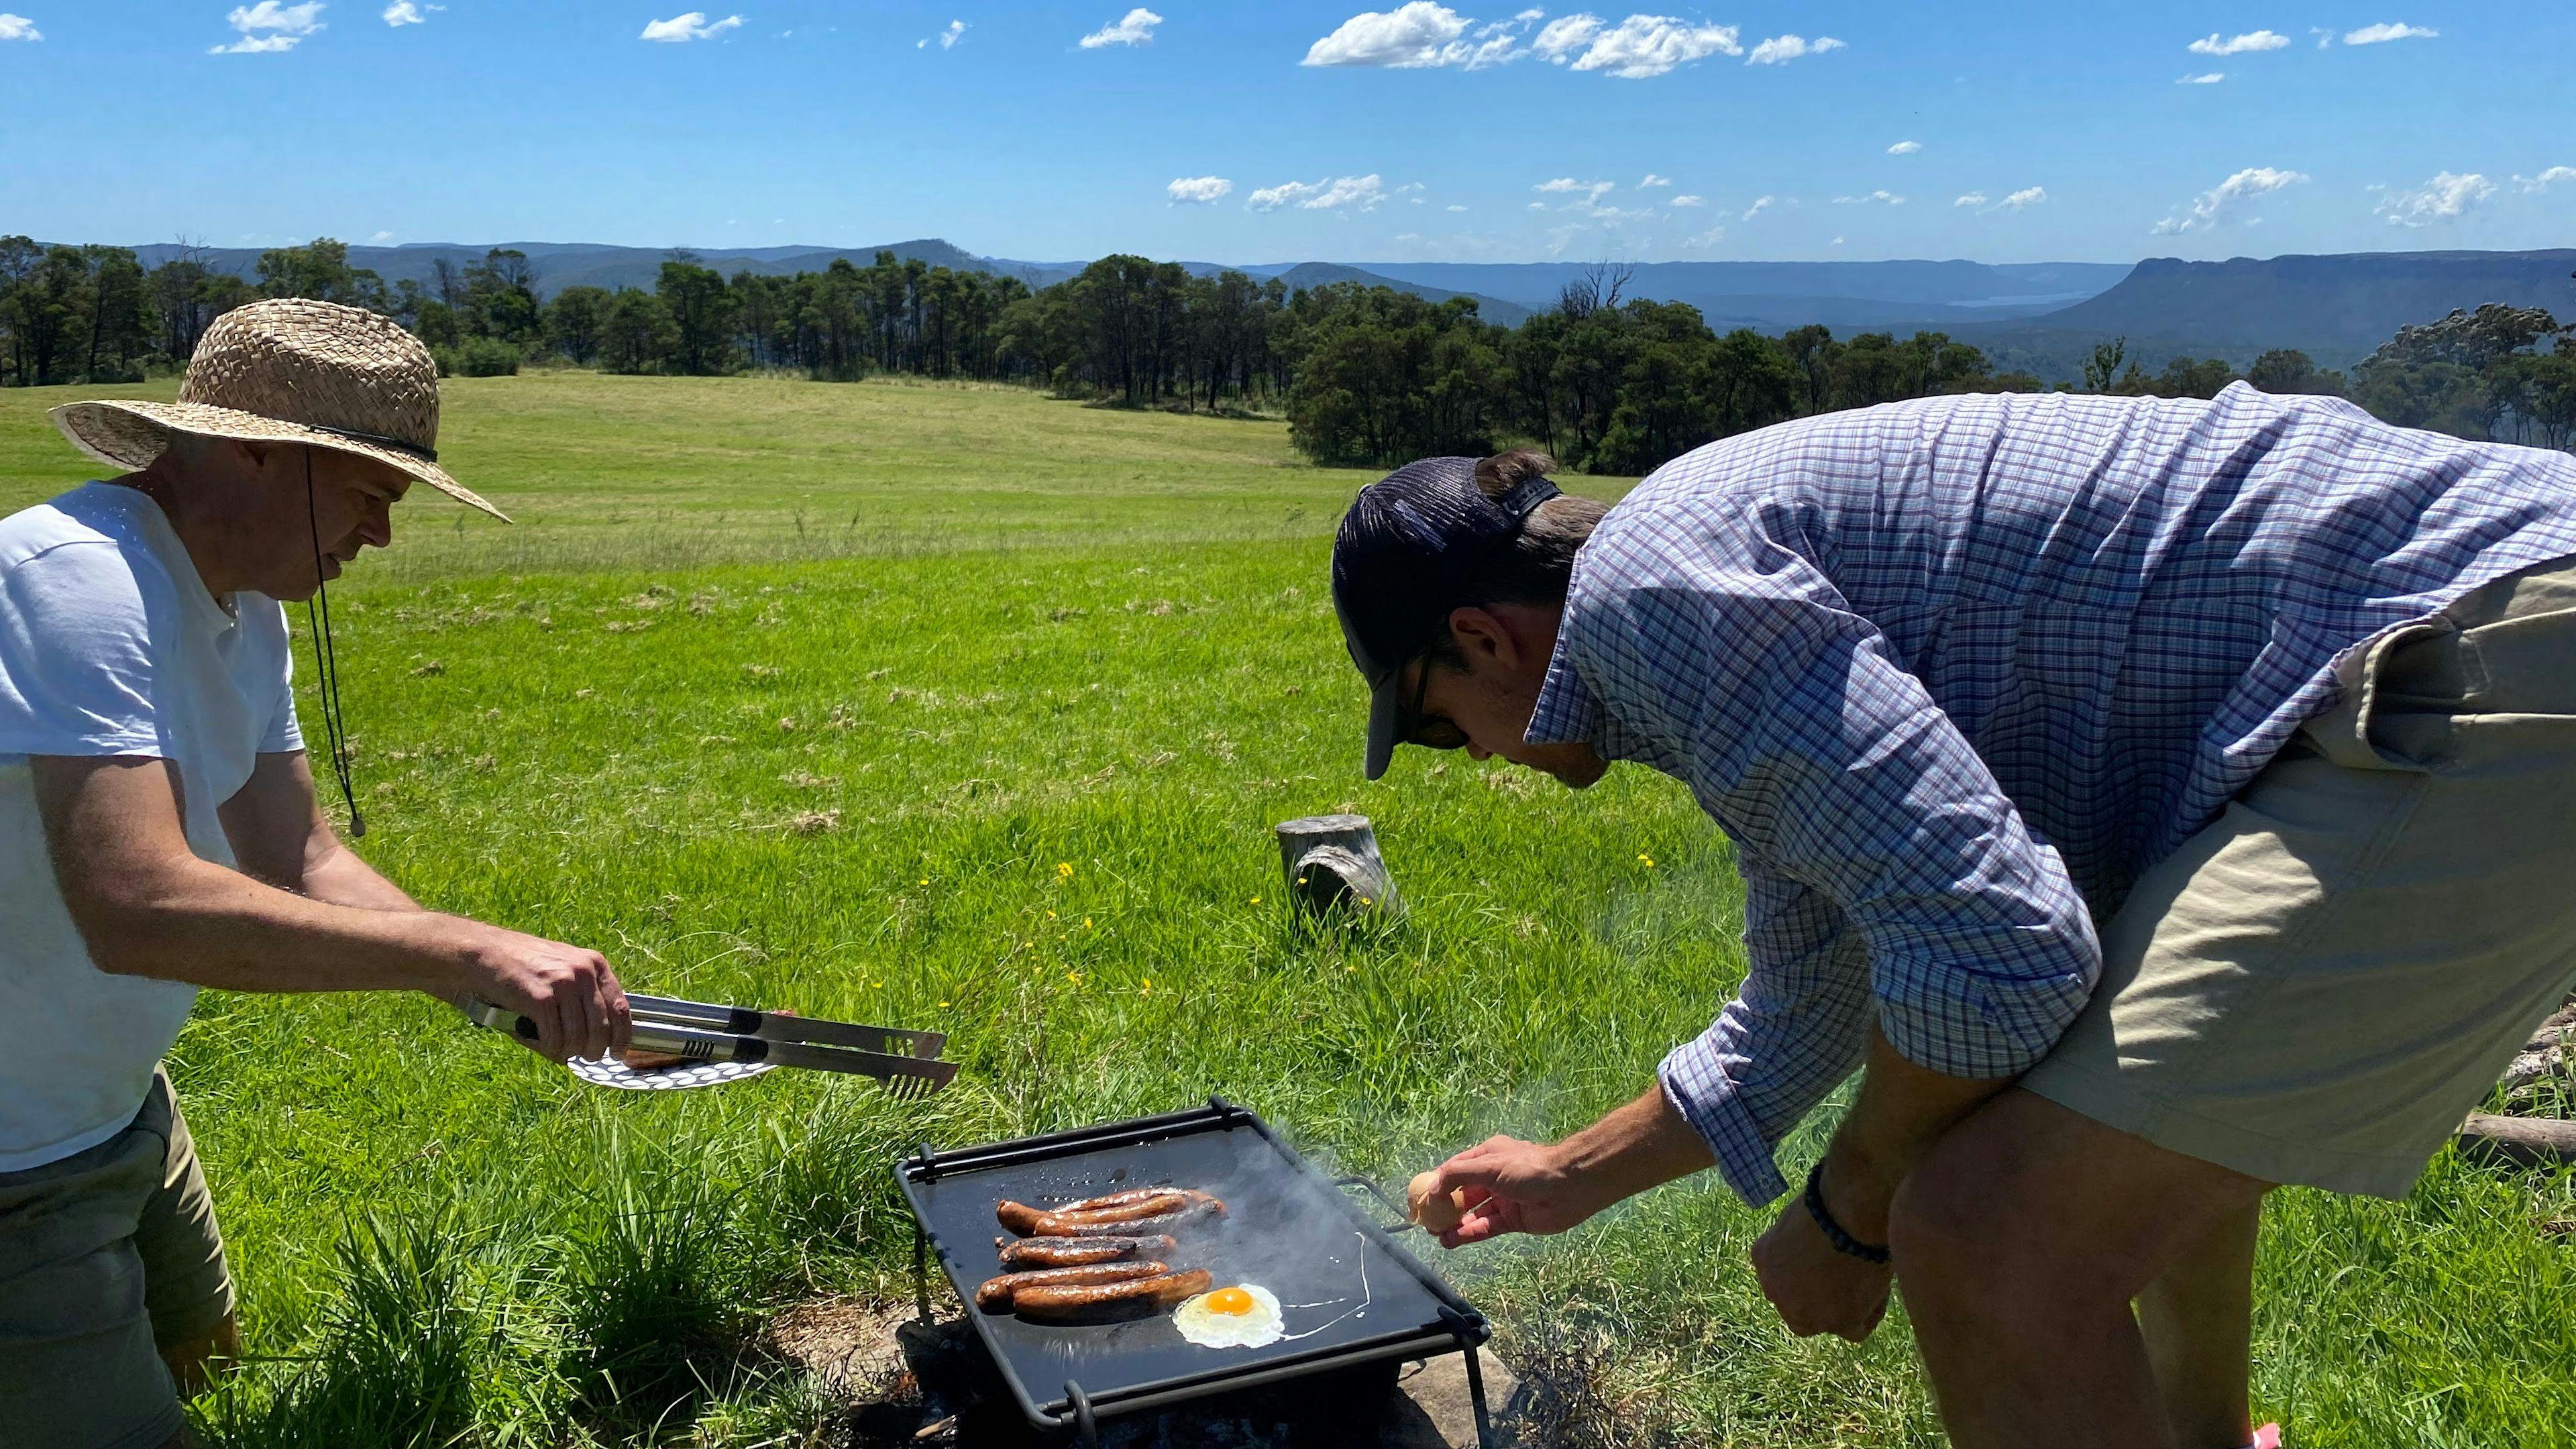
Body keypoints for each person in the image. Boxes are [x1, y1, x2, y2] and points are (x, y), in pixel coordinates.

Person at [1330, 385, 2576, 1449]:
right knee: (2122, 1112)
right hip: (2469, 621)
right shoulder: (1686, 572)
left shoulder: (1653, 609)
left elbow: (2005, 953)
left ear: (1483, 637)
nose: (1475, 756)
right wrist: (1566, 1173)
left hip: (2474, 652)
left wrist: (1849, 1212)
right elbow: (1817, 981)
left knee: (1988, 1238)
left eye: (1437, 728)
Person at [0, 299, 633, 1449]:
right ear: (255, 451)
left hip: (114, 1103)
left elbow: (299, 856)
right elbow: (136, 907)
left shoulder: (245, 610)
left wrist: (504, 988)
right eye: (371, 497)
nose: (381, 538)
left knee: (205, 1362)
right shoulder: (75, 581)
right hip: (13, 1159)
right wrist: (467, 952)